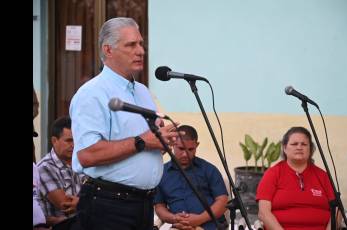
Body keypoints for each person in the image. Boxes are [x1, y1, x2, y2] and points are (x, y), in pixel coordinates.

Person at [69, 17, 180, 230]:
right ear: (108, 50)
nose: (140, 51)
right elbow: (87, 155)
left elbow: (146, 145)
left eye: (141, 43)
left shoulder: (142, 91)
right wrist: (143, 142)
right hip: (109, 206)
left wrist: (163, 140)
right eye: (131, 45)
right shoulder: (92, 94)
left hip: (144, 204)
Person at [256, 126, 341, 230]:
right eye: (294, 144)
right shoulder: (273, 174)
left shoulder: (323, 176)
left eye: (304, 144)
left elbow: (337, 211)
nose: (299, 147)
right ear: (284, 148)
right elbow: (263, 213)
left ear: (310, 149)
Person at [154, 125, 229, 230]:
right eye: (181, 148)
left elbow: (223, 201)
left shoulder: (209, 169)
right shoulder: (161, 173)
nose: (185, 154)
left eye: (190, 149)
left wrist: (200, 219)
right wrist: (174, 218)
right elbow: (159, 206)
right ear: (172, 144)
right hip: (179, 227)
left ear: (197, 145)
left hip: (210, 226)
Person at [37, 116, 84, 226]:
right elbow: (65, 205)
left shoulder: (81, 161)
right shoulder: (45, 167)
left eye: (76, 140)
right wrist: (89, 202)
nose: (73, 145)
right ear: (54, 140)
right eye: (69, 140)